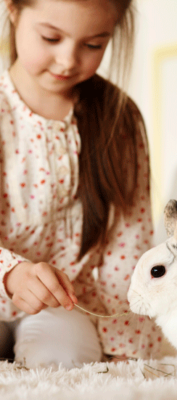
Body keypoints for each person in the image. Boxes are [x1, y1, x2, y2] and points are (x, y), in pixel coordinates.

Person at [0, 0, 162, 368]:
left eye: (92, 45)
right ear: (12, 9)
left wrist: (126, 344)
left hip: (65, 303)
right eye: (50, 37)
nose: (68, 61)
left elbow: (129, 245)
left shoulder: (120, 118)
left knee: (63, 361)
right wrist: (11, 274)